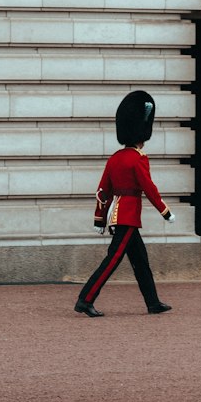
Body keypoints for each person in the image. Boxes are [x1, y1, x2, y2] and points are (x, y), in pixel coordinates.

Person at [74, 90, 174, 317]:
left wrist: (99, 218)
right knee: (114, 258)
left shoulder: (115, 158)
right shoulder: (138, 159)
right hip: (128, 215)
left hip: (114, 212)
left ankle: (153, 302)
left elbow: (102, 191)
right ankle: (85, 298)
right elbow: (149, 188)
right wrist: (165, 211)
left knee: (141, 260)